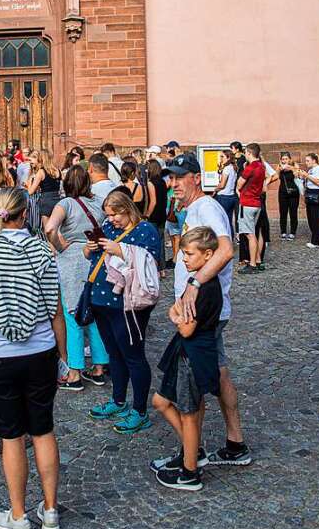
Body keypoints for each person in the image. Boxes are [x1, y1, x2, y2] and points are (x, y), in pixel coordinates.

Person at [0, 187, 63, 529]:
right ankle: (50, 511)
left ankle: (18, 516)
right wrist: (64, 358)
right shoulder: (42, 250)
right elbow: (55, 311)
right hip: (40, 351)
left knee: (11, 437)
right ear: (26, 214)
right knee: (43, 430)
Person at [164, 152, 250, 466]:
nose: (172, 183)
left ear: (196, 178)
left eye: (179, 177)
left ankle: (192, 455)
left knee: (193, 383)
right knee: (218, 374)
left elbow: (226, 250)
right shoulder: (194, 209)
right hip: (203, 310)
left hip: (201, 312)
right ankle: (235, 443)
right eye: (170, 178)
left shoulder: (208, 207)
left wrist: (195, 283)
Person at [150, 227, 222, 491]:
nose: (184, 259)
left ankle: (190, 471)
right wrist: (178, 314)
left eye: (189, 254)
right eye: (182, 253)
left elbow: (186, 327)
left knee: (189, 413)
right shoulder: (196, 283)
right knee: (161, 402)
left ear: (208, 255)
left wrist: (178, 317)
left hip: (194, 355)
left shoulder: (206, 289)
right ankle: (193, 452)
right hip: (182, 352)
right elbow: (175, 308)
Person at [86, 190, 162, 434]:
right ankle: (118, 400)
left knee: (133, 356)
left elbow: (149, 262)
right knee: (114, 354)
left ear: (128, 209)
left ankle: (140, 411)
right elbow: (93, 258)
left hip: (128, 303)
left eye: (115, 215)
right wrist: (89, 249)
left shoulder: (146, 230)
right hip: (101, 300)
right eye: (108, 215)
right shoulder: (107, 228)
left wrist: (118, 249)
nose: (111, 220)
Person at [43, 164, 108, 391]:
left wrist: (60, 245)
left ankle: (74, 373)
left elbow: (50, 227)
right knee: (94, 314)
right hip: (96, 260)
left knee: (73, 316)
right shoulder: (98, 203)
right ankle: (99, 368)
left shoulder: (66, 203)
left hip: (72, 260)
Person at [235, 144, 266, 272]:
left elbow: (240, 183)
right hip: (257, 202)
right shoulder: (261, 166)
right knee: (254, 232)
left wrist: (238, 189)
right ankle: (257, 260)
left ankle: (252, 264)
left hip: (247, 202)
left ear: (249, 153)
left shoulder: (250, 167)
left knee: (249, 234)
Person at [26, 149, 62, 227]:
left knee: (47, 228)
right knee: (56, 227)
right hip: (57, 199)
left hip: (46, 200)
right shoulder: (58, 170)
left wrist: (29, 181)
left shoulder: (41, 172)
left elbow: (30, 191)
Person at [296, 154, 319, 248]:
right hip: (309, 192)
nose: (306, 162)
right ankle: (315, 239)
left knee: (316, 218)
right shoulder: (311, 170)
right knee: (311, 218)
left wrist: (307, 175)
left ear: (314, 160)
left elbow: (318, 182)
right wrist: (303, 177)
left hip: (316, 193)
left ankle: (317, 241)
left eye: (308, 160)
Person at [276, 152, 301, 241]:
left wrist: (291, 168)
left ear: (290, 159)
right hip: (283, 192)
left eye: (286, 159)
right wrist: (280, 169)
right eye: (283, 159)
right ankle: (283, 231)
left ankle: (292, 232)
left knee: (293, 212)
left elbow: (298, 175)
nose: (284, 161)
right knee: (283, 212)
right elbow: (276, 176)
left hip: (293, 192)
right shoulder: (279, 166)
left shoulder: (295, 165)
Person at [212, 150, 238, 232]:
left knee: (222, 220)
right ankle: (230, 239)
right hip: (231, 196)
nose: (221, 158)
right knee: (228, 220)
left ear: (228, 157)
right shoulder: (233, 168)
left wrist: (215, 190)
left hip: (223, 197)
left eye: (222, 156)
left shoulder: (227, 169)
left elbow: (222, 184)